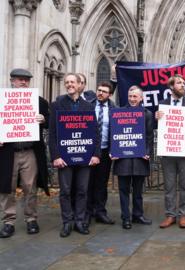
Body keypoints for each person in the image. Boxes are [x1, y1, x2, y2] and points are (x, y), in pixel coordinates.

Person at [48, 73, 100, 237]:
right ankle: (67, 222)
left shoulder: (89, 106)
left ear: (79, 85)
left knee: (82, 190)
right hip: (64, 157)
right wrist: (56, 156)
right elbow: (53, 134)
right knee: (65, 191)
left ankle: (79, 221)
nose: (69, 84)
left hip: (84, 157)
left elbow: (95, 133)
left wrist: (96, 155)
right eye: (67, 82)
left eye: (72, 82)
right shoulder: (56, 105)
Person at [0, 68, 50, 238]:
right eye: (20, 79)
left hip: (30, 151)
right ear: (12, 81)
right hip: (8, 152)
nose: (24, 82)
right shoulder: (2, 100)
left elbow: (50, 123)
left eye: (26, 80)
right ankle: (8, 221)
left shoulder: (39, 102)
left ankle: (31, 219)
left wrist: (44, 119)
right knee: (7, 187)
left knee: (31, 187)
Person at [157, 74, 185, 229]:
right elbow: (159, 128)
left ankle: (183, 214)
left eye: (184, 83)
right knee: (169, 185)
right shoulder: (162, 104)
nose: (183, 85)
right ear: (171, 86)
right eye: (179, 83)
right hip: (168, 152)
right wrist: (157, 118)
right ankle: (170, 215)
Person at [112, 85, 154, 229]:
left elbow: (149, 136)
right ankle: (126, 218)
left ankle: (138, 215)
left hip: (139, 159)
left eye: (135, 96)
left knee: (138, 191)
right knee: (123, 190)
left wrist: (147, 152)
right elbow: (114, 135)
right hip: (122, 159)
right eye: (130, 96)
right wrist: (113, 151)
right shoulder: (118, 113)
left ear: (141, 98)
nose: (132, 99)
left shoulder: (147, 114)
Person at [85, 81, 116, 226]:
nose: (100, 93)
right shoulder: (88, 105)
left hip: (104, 151)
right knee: (87, 182)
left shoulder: (114, 109)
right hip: (88, 151)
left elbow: (117, 131)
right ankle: (87, 212)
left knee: (101, 183)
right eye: (99, 90)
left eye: (104, 91)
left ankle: (100, 212)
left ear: (110, 94)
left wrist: (114, 150)